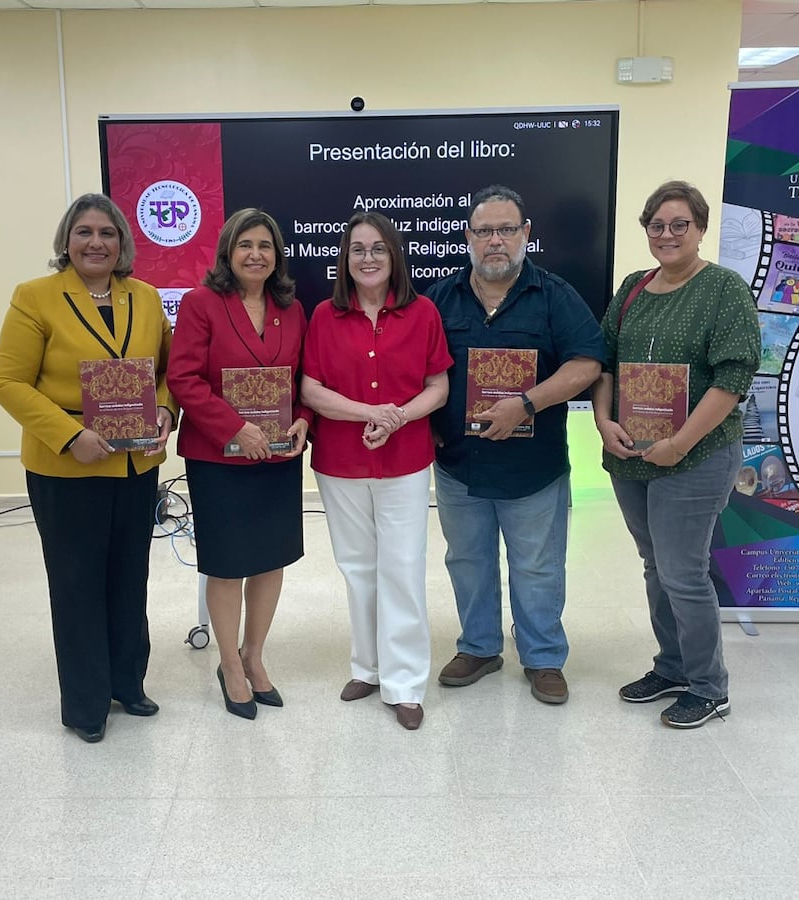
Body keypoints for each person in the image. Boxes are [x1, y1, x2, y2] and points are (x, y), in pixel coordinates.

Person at [0, 193, 176, 743]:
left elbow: (168, 371)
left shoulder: (144, 298)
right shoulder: (35, 298)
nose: (96, 243)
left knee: (127, 578)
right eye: (84, 233)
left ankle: (128, 683)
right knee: (76, 584)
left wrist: (166, 408)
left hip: (134, 466)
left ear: (123, 243)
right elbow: (7, 382)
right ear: (65, 242)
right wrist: (72, 436)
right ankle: (86, 704)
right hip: (67, 467)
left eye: (107, 233)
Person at [591, 180, 759, 729]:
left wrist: (679, 443)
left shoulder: (723, 289)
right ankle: (673, 667)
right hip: (631, 453)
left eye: (678, 224)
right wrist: (603, 421)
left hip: (697, 454)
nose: (666, 234)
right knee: (655, 565)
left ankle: (710, 687)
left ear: (700, 229)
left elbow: (734, 377)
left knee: (684, 572)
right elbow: (605, 362)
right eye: (656, 225)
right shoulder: (633, 288)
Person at [429, 185, 604, 706]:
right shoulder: (441, 298)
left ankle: (544, 657)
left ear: (526, 234)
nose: (496, 241)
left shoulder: (554, 295)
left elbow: (587, 363)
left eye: (507, 229)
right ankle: (480, 647)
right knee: (468, 561)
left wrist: (525, 404)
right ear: (468, 238)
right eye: (484, 231)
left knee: (537, 566)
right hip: (460, 465)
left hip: (534, 467)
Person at [301, 211, 452, 731]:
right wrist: (373, 414)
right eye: (357, 249)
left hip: (405, 459)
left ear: (395, 257)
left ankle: (405, 683)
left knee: (403, 567)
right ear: (345, 259)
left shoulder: (423, 312)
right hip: (340, 461)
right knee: (358, 567)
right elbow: (310, 390)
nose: (367, 258)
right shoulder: (323, 315)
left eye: (378, 249)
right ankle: (367, 667)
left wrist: (399, 418)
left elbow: (439, 386)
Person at [166, 209, 310, 721]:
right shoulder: (201, 304)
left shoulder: (290, 309)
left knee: (270, 559)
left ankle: (254, 654)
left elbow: (302, 379)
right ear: (228, 250)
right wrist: (235, 428)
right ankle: (229, 664)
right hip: (219, 457)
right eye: (245, 244)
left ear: (277, 255)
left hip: (276, 456)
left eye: (265, 245)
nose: (256, 254)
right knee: (228, 564)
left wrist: (304, 419)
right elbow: (183, 379)